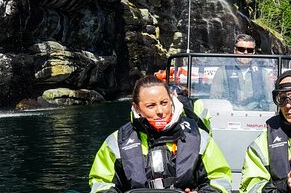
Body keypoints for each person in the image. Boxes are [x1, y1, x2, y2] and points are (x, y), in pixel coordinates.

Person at [89, 75, 232, 193]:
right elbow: (101, 183)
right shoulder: (116, 142)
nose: (160, 111)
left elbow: (220, 179)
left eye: (164, 103)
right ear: (136, 108)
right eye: (151, 106)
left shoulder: (199, 138)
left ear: (171, 101)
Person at [209, 34, 273, 108]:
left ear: (253, 52)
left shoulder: (263, 73)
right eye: (241, 49)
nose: (245, 53)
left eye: (249, 50)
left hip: (256, 115)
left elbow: (271, 102)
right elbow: (214, 100)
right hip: (230, 116)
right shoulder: (222, 71)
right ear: (235, 50)